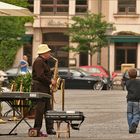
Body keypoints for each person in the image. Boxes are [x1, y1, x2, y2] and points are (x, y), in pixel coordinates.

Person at [31, 44, 56, 136]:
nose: (50, 53)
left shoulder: (44, 61)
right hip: (39, 88)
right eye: (48, 52)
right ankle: (37, 128)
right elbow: (40, 76)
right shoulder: (39, 61)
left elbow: (43, 73)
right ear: (44, 53)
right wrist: (50, 81)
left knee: (48, 109)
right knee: (40, 109)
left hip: (44, 88)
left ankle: (50, 129)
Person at [126, 68, 140, 134]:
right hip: (136, 100)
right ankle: (134, 123)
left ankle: (131, 127)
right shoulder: (139, 82)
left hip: (129, 100)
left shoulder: (127, 82)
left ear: (129, 75)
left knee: (129, 114)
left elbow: (127, 88)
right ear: (136, 75)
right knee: (136, 113)